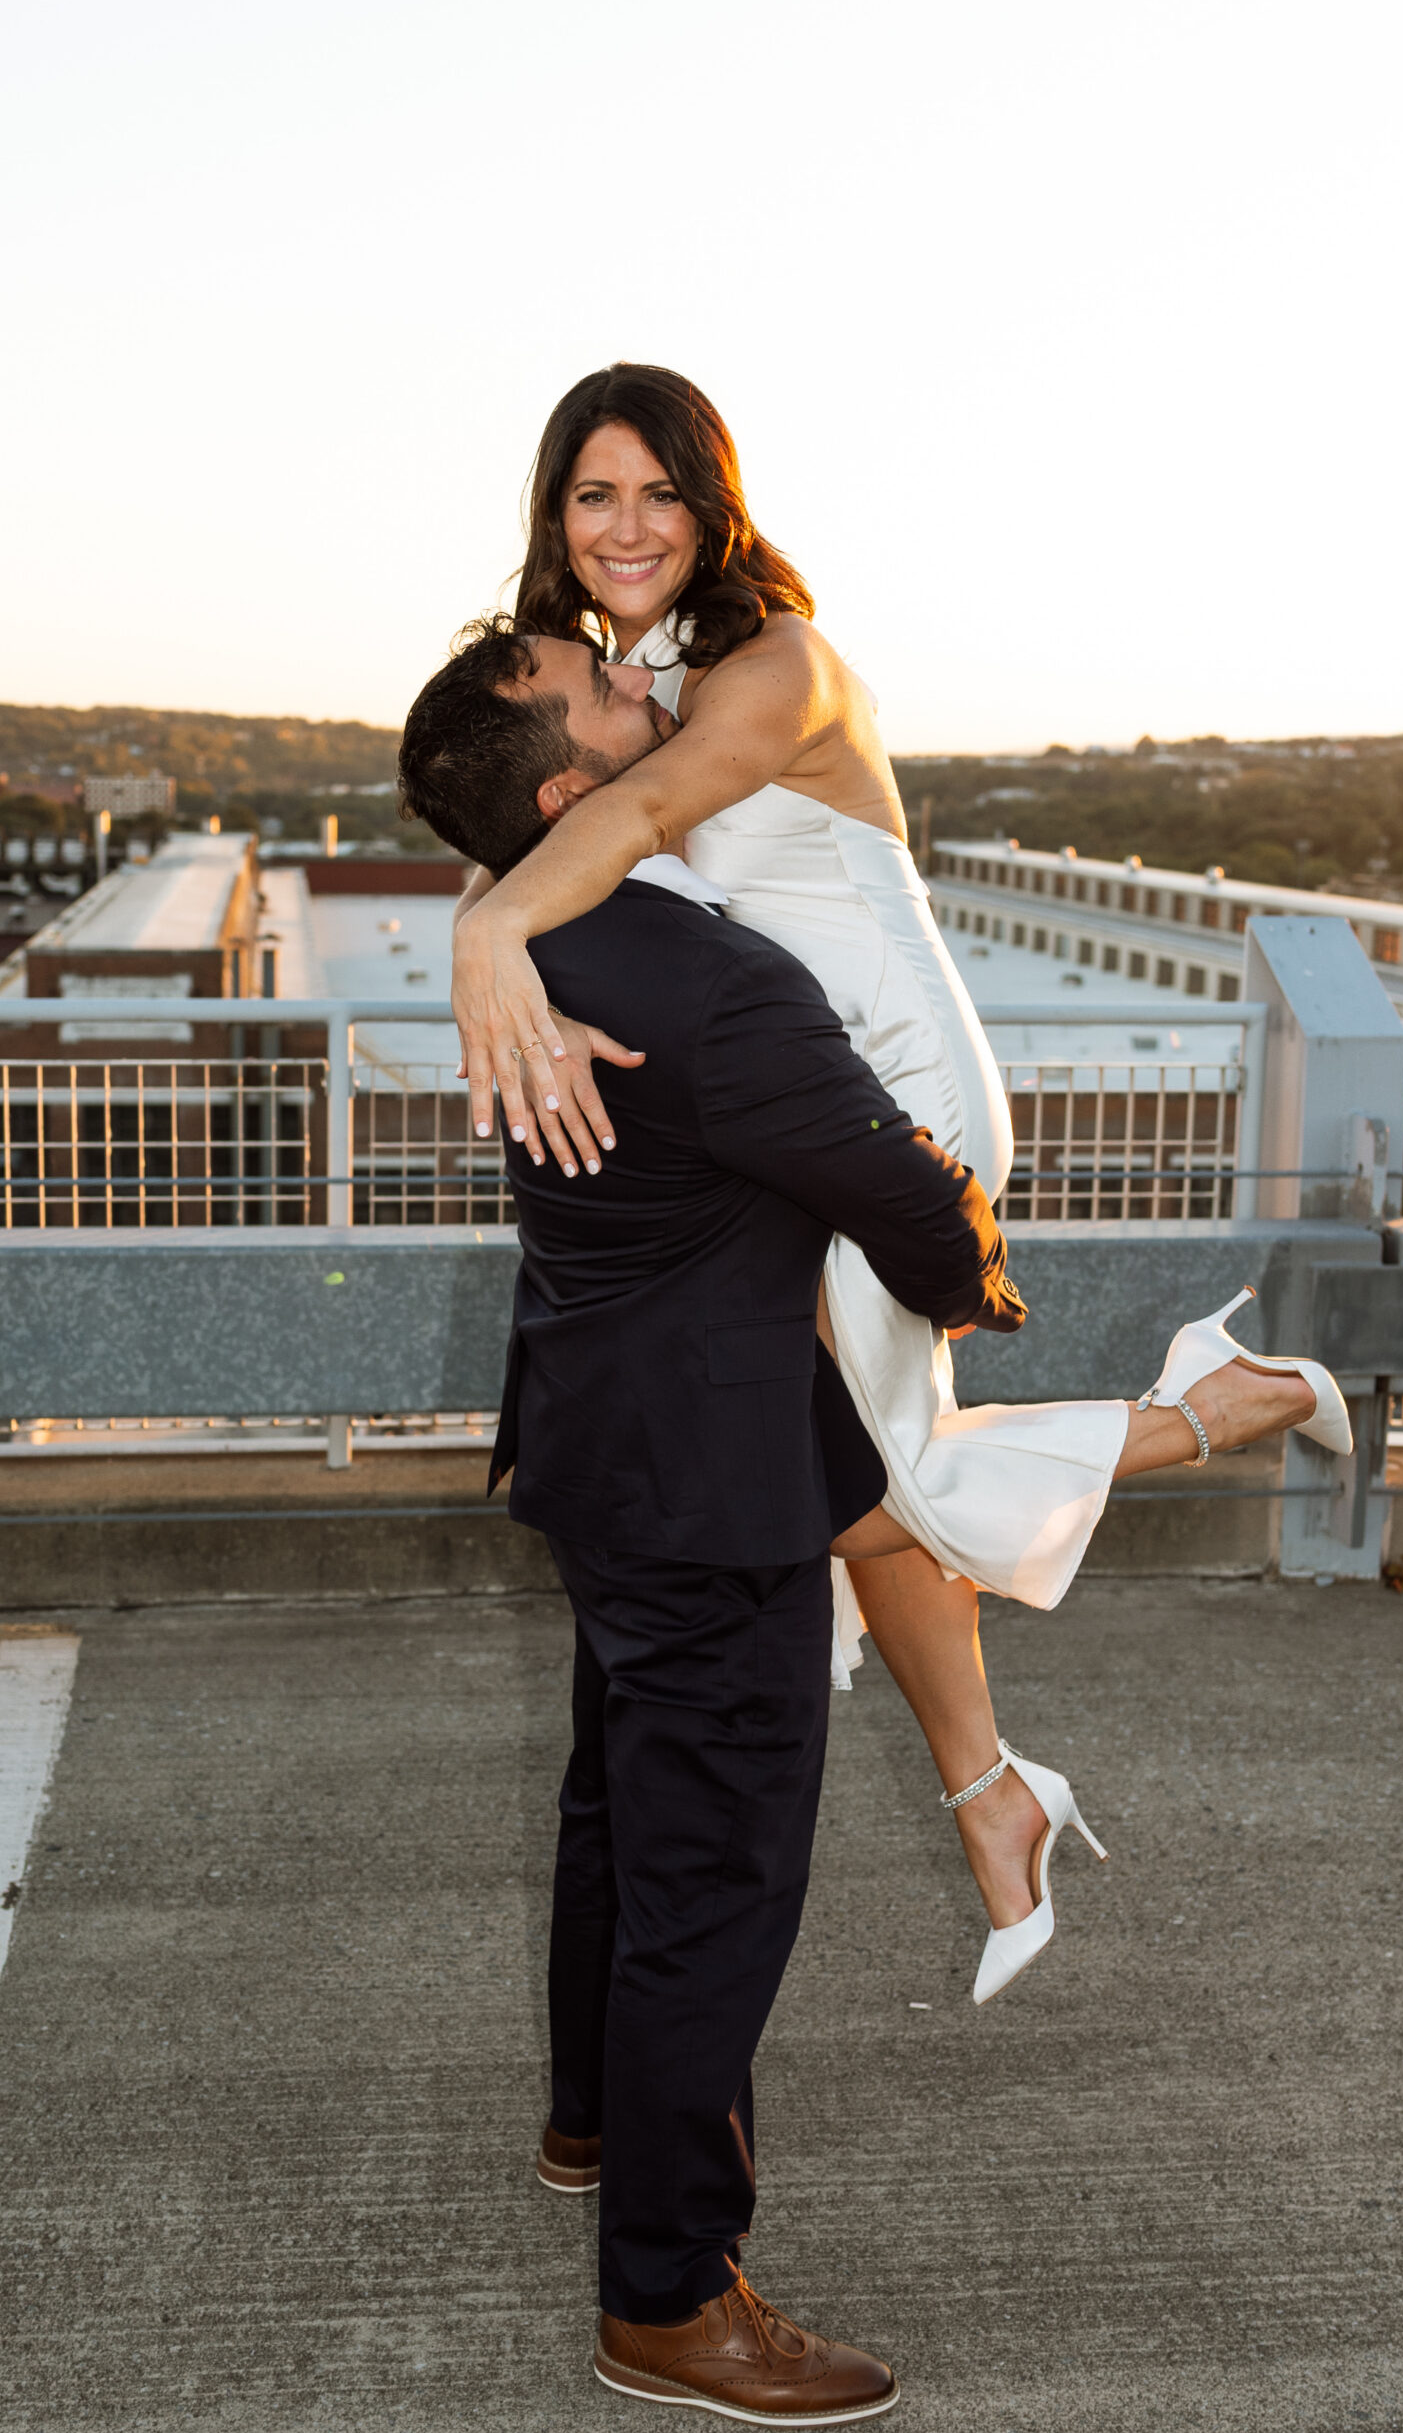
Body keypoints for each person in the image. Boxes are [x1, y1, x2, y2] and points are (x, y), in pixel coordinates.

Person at [423, 364, 1352, 2001]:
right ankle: (992, 1795)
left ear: (716, 507)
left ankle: (1227, 1403)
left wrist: (490, 929)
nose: (627, 527)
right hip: (790, 1098)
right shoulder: (615, 672)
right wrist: (481, 919)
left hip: (897, 1089)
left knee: (869, 1476)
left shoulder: (773, 668)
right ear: (555, 518)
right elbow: (528, 808)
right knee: (850, 1468)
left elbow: (625, 814)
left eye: (659, 493)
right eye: (593, 495)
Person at [405, 669, 1032, 2423]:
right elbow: (900, 1194)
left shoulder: (534, 960)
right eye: (600, 696)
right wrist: (976, 1280)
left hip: (598, 1449)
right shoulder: (708, 978)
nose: (641, 694)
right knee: (718, 1881)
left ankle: (589, 2123)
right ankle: (670, 2301)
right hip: (713, 1479)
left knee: (617, 1805)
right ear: (565, 804)